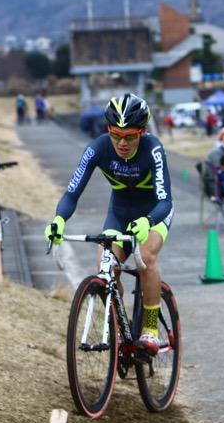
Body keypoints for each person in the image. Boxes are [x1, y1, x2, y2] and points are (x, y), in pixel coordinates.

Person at [44, 94, 174, 354]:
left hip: (154, 213)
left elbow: (166, 201)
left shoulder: (153, 149)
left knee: (145, 257)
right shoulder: (98, 148)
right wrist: (59, 219)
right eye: (116, 135)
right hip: (121, 212)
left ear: (143, 131)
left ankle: (149, 329)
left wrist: (148, 222)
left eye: (130, 136)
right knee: (105, 266)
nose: (122, 143)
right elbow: (72, 193)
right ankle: (120, 324)